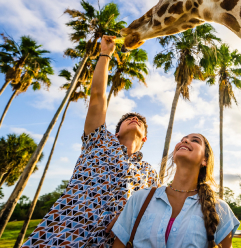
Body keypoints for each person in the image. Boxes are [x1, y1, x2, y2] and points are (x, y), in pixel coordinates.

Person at [22, 36, 158, 248]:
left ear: (145, 137)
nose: (134, 119)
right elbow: (97, 96)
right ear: (115, 133)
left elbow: (152, 212)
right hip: (60, 236)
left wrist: (130, 223)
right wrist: (105, 54)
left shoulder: (150, 173)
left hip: (108, 243)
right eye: (127, 119)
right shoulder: (99, 141)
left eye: (140, 121)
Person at [112, 133, 240, 248]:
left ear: (204, 160)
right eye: (182, 140)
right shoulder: (140, 198)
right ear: (174, 156)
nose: (184, 141)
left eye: (195, 140)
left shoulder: (220, 209)